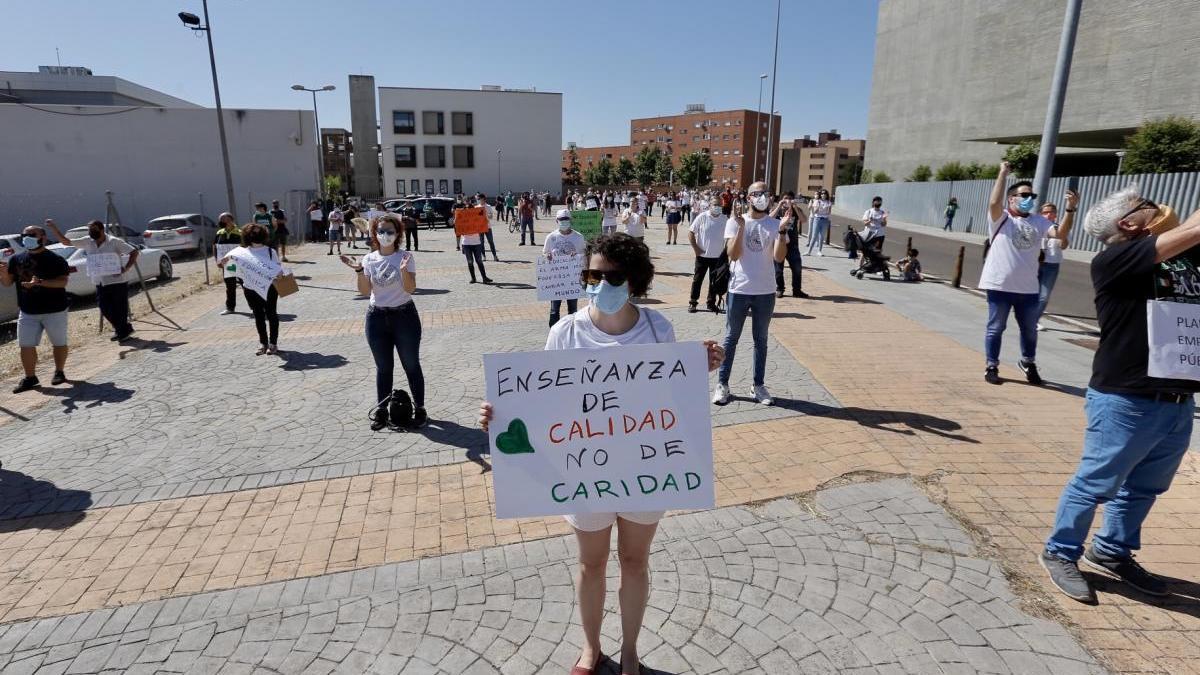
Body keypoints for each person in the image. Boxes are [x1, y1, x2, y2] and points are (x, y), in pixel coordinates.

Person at [478, 233, 724, 675]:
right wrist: (500, 416)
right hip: (582, 474)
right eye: (593, 274)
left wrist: (697, 368)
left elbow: (670, 397)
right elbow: (541, 406)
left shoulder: (657, 328)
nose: (600, 283)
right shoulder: (565, 333)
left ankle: (630, 653)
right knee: (591, 565)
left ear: (634, 280)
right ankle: (591, 649)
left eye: (611, 275)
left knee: (635, 560)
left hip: (646, 469)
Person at [1039, 187, 1200, 604]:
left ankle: (1111, 550)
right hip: (1126, 399)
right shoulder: (1116, 259)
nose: (1159, 206)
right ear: (1129, 224)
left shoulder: (1180, 259)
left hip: (1177, 400)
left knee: (1146, 487)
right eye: (1147, 204)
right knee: (1096, 483)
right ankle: (1060, 552)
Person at [342, 215, 427, 430]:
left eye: (390, 231)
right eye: (381, 231)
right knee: (383, 367)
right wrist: (359, 271)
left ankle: (420, 408)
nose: (385, 235)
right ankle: (381, 409)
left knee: (411, 365)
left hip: (404, 316)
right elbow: (364, 291)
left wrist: (403, 271)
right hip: (377, 318)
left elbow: (410, 289)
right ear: (375, 234)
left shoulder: (405, 257)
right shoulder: (369, 259)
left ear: (398, 233)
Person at [713, 181, 789, 406]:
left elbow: (778, 257)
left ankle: (758, 385)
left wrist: (783, 231)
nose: (762, 197)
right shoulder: (735, 222)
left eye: (766, 193)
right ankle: (723, 384)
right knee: (731, 338)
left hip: (765, 291)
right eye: (757, 193)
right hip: (739, 288)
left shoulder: (775, 224)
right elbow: (733, 255)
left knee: (761, 340)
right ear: (748, 198)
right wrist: (741, 228)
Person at [979, 162, 1054, 385]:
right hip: (1000, 285)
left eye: (1031, 195)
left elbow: (1060, 236)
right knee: (995, 328)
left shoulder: (1039, 221)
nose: (1029, 198)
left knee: (1030, 330)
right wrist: (1002, 173)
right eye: (1024, 195)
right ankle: (991, 365)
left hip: (1028, 287)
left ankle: (1028, 362)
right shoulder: (1001, 218)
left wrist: (1069, 211)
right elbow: (994, 202)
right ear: (1012, 198)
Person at [0, 224, 71, 392]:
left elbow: (63, 282)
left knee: (59, 343)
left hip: (55, 310)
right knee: (25, 345)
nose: (27, 237)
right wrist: (3, 274)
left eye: (32, 234)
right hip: (27, 311)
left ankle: (59, 372)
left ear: (43, 238)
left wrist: (40, 283)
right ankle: (30, 378)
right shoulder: (16, 259)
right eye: (24, 235)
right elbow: (8, 283)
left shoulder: (55, 259)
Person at [47, 218, 138, 341]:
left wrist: (126, 268)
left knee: (120, 308)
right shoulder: (88, 241)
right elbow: (65, 242)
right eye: (89, 229)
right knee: (104, 307)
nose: (91, 232)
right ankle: (124, 328)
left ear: (101, 229)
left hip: (117, 281)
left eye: (93, 229)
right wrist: (54, 228)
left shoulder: (114, 242)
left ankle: (122, 332)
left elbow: (133, 252)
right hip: (100, 281)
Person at [219, 223, 283, 355]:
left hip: (265, 288)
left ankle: (271, 343)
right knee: (263, 315)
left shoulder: (270, 251)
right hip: (254, 288)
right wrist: (225, 263)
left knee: (267, 315)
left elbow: (278, 270)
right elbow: (233, 270)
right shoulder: (240, 252)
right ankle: (265, 343)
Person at [1036, 192, 1079, 330]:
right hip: (1034, 263)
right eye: (1046, 212)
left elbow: (1064, 246)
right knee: (1029, 293)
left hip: (1052, 265)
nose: (1049, 215)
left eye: (1052, 213)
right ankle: (1025, 316)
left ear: (1056, 215)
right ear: (1040, 214)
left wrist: (1063, 235)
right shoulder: (1035, 226)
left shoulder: (1061, 228)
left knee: (1043, 296)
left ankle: (1033, 320)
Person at [544, 209, 587, 326]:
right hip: (556, 280)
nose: (564, 222)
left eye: (566, 220)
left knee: (573, 310)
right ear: (556, 221)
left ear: (570, 220)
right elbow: (545, 254)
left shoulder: (578, 237)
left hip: (572, 280)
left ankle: (572, 332)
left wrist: (577, 256)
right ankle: (554, 333)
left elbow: (584, 256)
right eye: (561, 220)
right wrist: (547, 256)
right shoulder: (551, 237)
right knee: (554, 310)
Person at [688, 198, 728, 313]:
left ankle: (711, 303)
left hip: (718, 257)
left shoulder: (725, 219)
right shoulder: (702, 217)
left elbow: (731, 235)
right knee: (697, 279)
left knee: (714, 281)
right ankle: (693, 302)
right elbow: (691, 232)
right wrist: (696, 248)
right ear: (709, 205)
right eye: (715, 205)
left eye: (720, 205)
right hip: (702, 256)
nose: (718, 207)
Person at [771, 192, 808, 299]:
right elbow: (769, 218)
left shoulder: (795, 210)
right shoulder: (777, 210)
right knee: (778, 269)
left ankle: (797, 290)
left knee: (797, 268)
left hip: (792, 245)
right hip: (778, 243)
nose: (787, 201)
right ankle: (779, 289)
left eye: (790, 199)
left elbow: (804, 220)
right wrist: (779, 205)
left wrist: (795, 206)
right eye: (785, 198)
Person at [213, 214, 242, 314]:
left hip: (241, 264)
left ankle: (255, 307)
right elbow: (215, 247)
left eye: (222, 219)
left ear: (230, 220)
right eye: (220, 219)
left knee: (247, 285)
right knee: (230, 286)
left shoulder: (240, 232)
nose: (220, 221)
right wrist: (217, 260)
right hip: (228, 264)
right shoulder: (219, 233)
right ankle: (230, 308)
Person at [462, 196, 494, 284]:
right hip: (466, 242)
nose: (468, 203)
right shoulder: (462, 213)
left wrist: (486, 217)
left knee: (479, 261)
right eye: (466, 202)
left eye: (469, 202)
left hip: (476, 242)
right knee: (470, 261)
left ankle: (484, 277)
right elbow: (458, 224)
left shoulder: (476, 211)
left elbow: (484, 219)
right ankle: (473, 278)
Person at [807, 189, 832, 256]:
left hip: (825, 220)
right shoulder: (817, 201)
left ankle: (819, 251)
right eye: (822, 194)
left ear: (827, 195)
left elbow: (828, 212)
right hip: (817, 219)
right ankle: (809, 251)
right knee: (814, 236)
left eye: (825, 194)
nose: (823, 195)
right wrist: (818, 207)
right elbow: (815, 211)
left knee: (822, 236)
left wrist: (828, 219)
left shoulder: (829, 202)